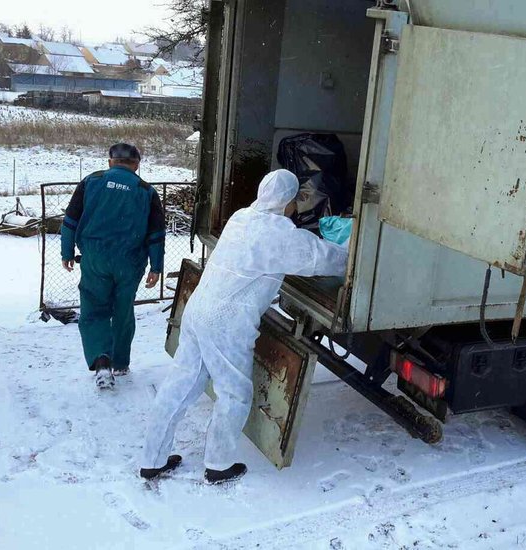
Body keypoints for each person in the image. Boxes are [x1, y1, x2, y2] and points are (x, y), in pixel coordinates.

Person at [140, 169, 347, 484]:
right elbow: (319, 258)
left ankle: (152, 459)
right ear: (289, 199)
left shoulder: (241, 217)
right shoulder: (278, 233)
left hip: (198, 311)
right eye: (294, 200)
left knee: (179, 386)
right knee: (234, 393)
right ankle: (219, 465)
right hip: (226, 322)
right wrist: (354, 256)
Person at [61, 143, 166, 389]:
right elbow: (156, 233)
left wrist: (67, 251)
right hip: (129, 261)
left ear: (110, 161)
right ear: (137, 165)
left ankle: (102, 361)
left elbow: (70, 220)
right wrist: (156, 267)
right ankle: (120, 362)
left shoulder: (91, 182)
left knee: (94, 309)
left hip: (95, 258)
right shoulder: (146, 191)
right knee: (123, 309)